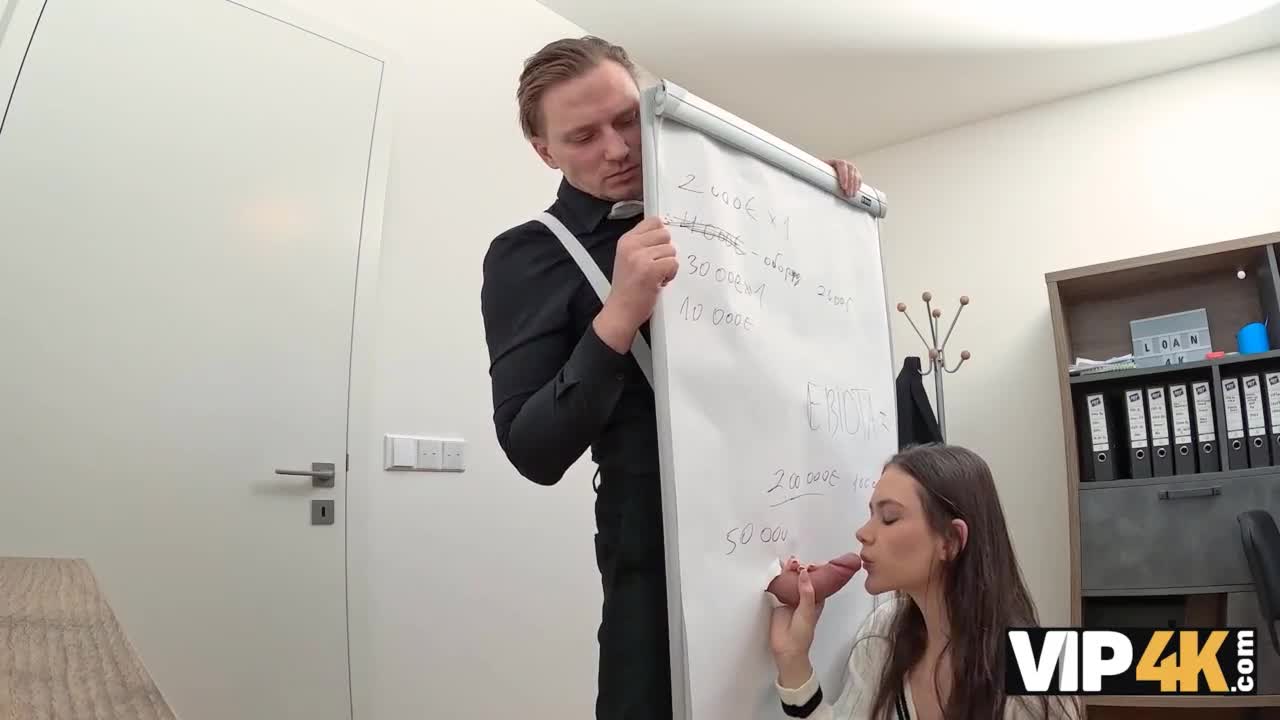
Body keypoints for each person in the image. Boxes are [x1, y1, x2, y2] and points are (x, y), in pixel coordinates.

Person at [480, 35, 865, 719]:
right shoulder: (527, 256)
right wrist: (620, 312)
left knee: (809, 685)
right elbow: (532, 450)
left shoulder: (727, 204)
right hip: (653, 543)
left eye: (627, 118)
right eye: (583, 136)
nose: (618, 149)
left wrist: (816, 206)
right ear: (545, 152)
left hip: (789, 501)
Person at [769, 444, 1081, 720]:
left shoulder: (1041, 674)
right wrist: (793, 659)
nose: (863, 532)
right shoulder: (883, 632)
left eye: (889, 518)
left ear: (951, 540)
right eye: (871, 514)